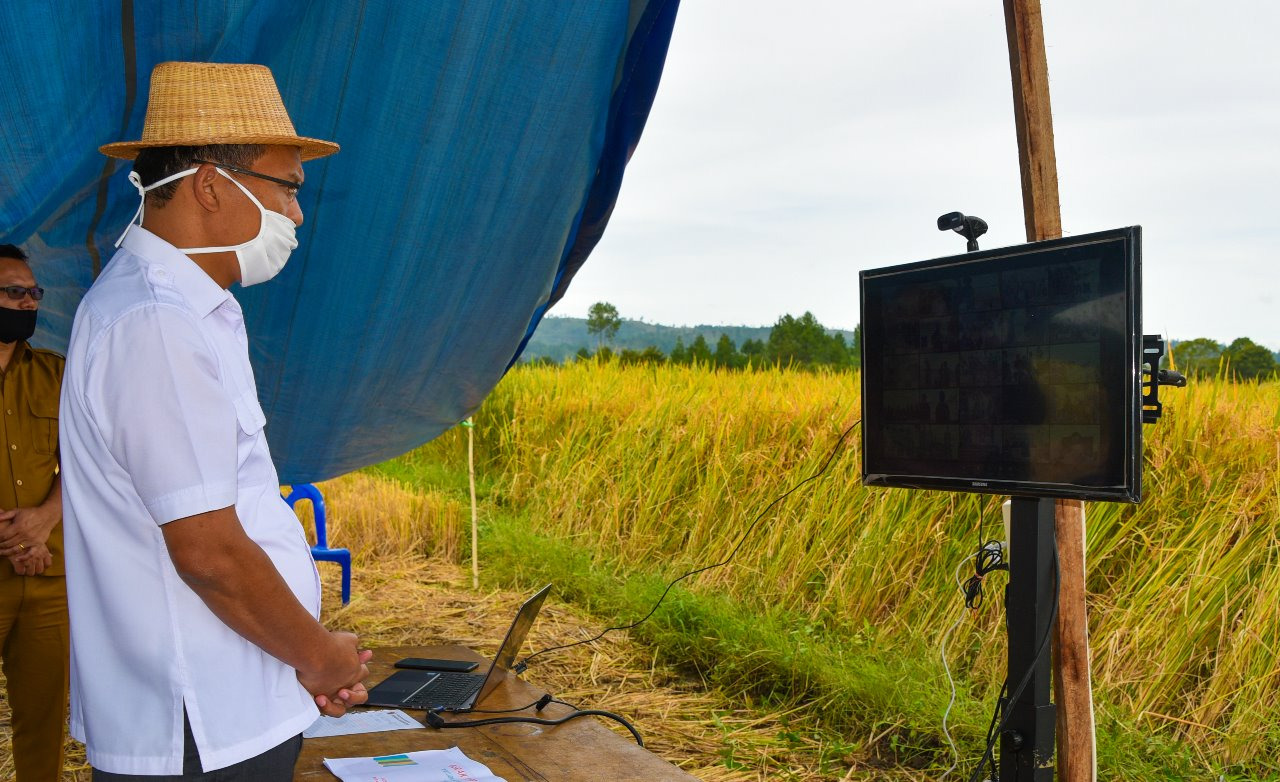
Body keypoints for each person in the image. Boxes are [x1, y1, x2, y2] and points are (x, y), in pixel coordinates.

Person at [59, 62, 370, 779]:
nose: (296, 214)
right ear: (209, 185)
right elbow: (210, 554)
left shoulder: (183, 309)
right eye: (287, 187)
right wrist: (319, 656)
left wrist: (301, 659)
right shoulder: (156, 325)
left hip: (232, 696)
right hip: (202, 720)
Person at [0, 244, 68, 781]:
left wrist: (43, 520)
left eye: (33, 293)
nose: (27, 303)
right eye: (14, 292)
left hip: (48, 575)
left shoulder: (57, 375)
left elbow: (92, 465)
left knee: (44, 722)